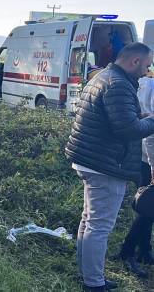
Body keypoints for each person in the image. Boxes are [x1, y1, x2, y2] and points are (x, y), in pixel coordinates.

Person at [65, 42, 154, 292]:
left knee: (89, 220)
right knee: (99, 225)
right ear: (134, 61)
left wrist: (141, 120)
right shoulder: (118, 85)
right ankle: (94, 284)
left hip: (92, 160)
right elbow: (127, 129)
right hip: (105, 165)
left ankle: (88, 275)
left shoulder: (105, 76)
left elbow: (120, 121)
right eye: (147, 65)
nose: (148, 71)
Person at [118, 70, 154, 275]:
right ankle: (128, 250)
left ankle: (144, 250)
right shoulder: (149, 87)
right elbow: (151, 134)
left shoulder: (143, 83)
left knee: (148, 206)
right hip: (149, 157)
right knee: (147, 206)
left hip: (141, 156)